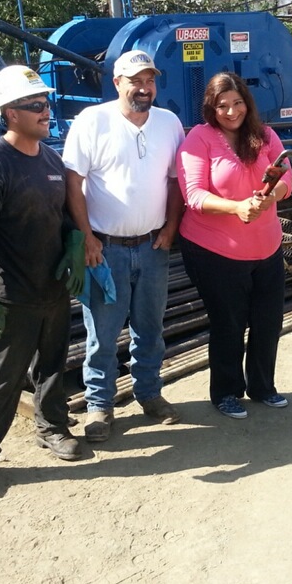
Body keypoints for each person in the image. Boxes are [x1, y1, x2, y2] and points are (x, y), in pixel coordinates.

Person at [0, 65, 86, 502]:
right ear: (10, 113)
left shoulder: (51, 159)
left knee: (53, 367)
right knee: (5, 377)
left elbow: (65, 215)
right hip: (11, 294)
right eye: (35, 105)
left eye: (45, 102)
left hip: (52, 288)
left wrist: (73, 243)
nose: (45, 110)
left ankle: (53, 428)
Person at [63, 50, 186, 443]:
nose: (144, 87)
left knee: (150, 328)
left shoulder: (169, 123)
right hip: (106, 250)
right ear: (117, 83)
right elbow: (73, 182)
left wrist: (171, 227)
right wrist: (86, 238)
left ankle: (149, 393)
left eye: (150, 80)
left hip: (153, 246)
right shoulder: (92, 122)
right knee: (102, 332)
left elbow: (173, 182)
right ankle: (100, 405)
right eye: (135, 81)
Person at [177, 72, 292, 419]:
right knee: (229, 323)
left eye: (237, 102)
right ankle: (226, 392)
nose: (231, 111)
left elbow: (285, 173)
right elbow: (193, 194)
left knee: (268, 320)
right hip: (215, 251)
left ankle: (262, 387)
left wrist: (270, 196)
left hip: (267, 248)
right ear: (211, 108)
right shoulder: (199, 139)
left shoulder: (264, 135)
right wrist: (237, 207)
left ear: (247, 102)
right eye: (222, 105)